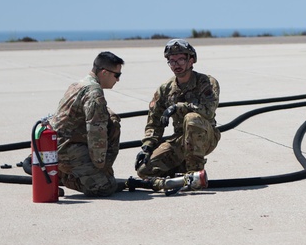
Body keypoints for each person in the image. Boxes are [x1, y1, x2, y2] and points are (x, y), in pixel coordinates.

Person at [134, 39, 220, 191]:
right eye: (171, 61)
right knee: (144, 170)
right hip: (180, 139)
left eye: (180, 59)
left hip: (206, 136)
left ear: (191, 60)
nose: (176, 65)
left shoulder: (206, 82)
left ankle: (195, 173)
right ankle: (180, 176)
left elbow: (208, 111)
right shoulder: (165, 89)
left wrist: (178, 107)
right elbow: (154, 122)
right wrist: (147, 147)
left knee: (191, 118)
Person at [50, 51, 124, 197]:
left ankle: (57, 171)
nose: (118, 80)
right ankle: (66, 177)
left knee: (110, 118)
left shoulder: (78, 84)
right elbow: (96, 132)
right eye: (117, 75)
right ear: (104, 73)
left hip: (56, 146)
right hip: (67, 149)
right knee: (106, 187)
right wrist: (100, 168)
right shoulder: (94, 92)